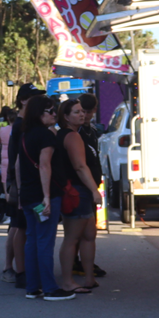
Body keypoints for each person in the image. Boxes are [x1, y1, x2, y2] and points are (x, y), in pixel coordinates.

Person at [16, 93, 72, 300]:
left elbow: (18, 166)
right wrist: (47, 197)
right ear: (39, 114)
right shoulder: (46, 136)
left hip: (28, 195)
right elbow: (45, 165)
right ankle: (50, 288)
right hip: (43, 196)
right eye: (50, 111)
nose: (54, 114)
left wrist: (21, 194)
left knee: (32, 240)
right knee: (45, 241)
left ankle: (32, 287)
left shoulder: (25, 135)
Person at [55, 100, 104, 294]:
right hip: (77, 191)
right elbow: (80, 166)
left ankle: (89, 278)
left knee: (88, 235)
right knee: (73, 237)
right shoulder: (71, 136)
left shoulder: (69, 134)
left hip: (78, 191)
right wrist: (94, 190)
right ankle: (68, 281)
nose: (82, 114)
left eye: (83, 111)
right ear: (66, 116)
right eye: (76, 112)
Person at [0, 88, 35, 286]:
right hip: (19, 182)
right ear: (23, 101)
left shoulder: (24, 123)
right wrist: (16, 186)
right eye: (33, 97)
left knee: (17, 225)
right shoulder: (21, 125)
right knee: (18, 226)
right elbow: (18, 160)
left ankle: (14, 268)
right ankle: (13, 268)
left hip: (18, 181)